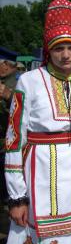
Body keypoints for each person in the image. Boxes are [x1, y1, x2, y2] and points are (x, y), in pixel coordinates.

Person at [4, 0, 71, 244]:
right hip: (41, 178)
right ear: (49, 49)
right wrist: (17, 197)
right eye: (59, 48)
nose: (66, 55)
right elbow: (14, 140)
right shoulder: (28, 81)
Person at [0, 56, 18, 205]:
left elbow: (27, 108)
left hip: (8, 145)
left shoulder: (20, 83)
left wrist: (8, 95)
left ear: (6, 65)